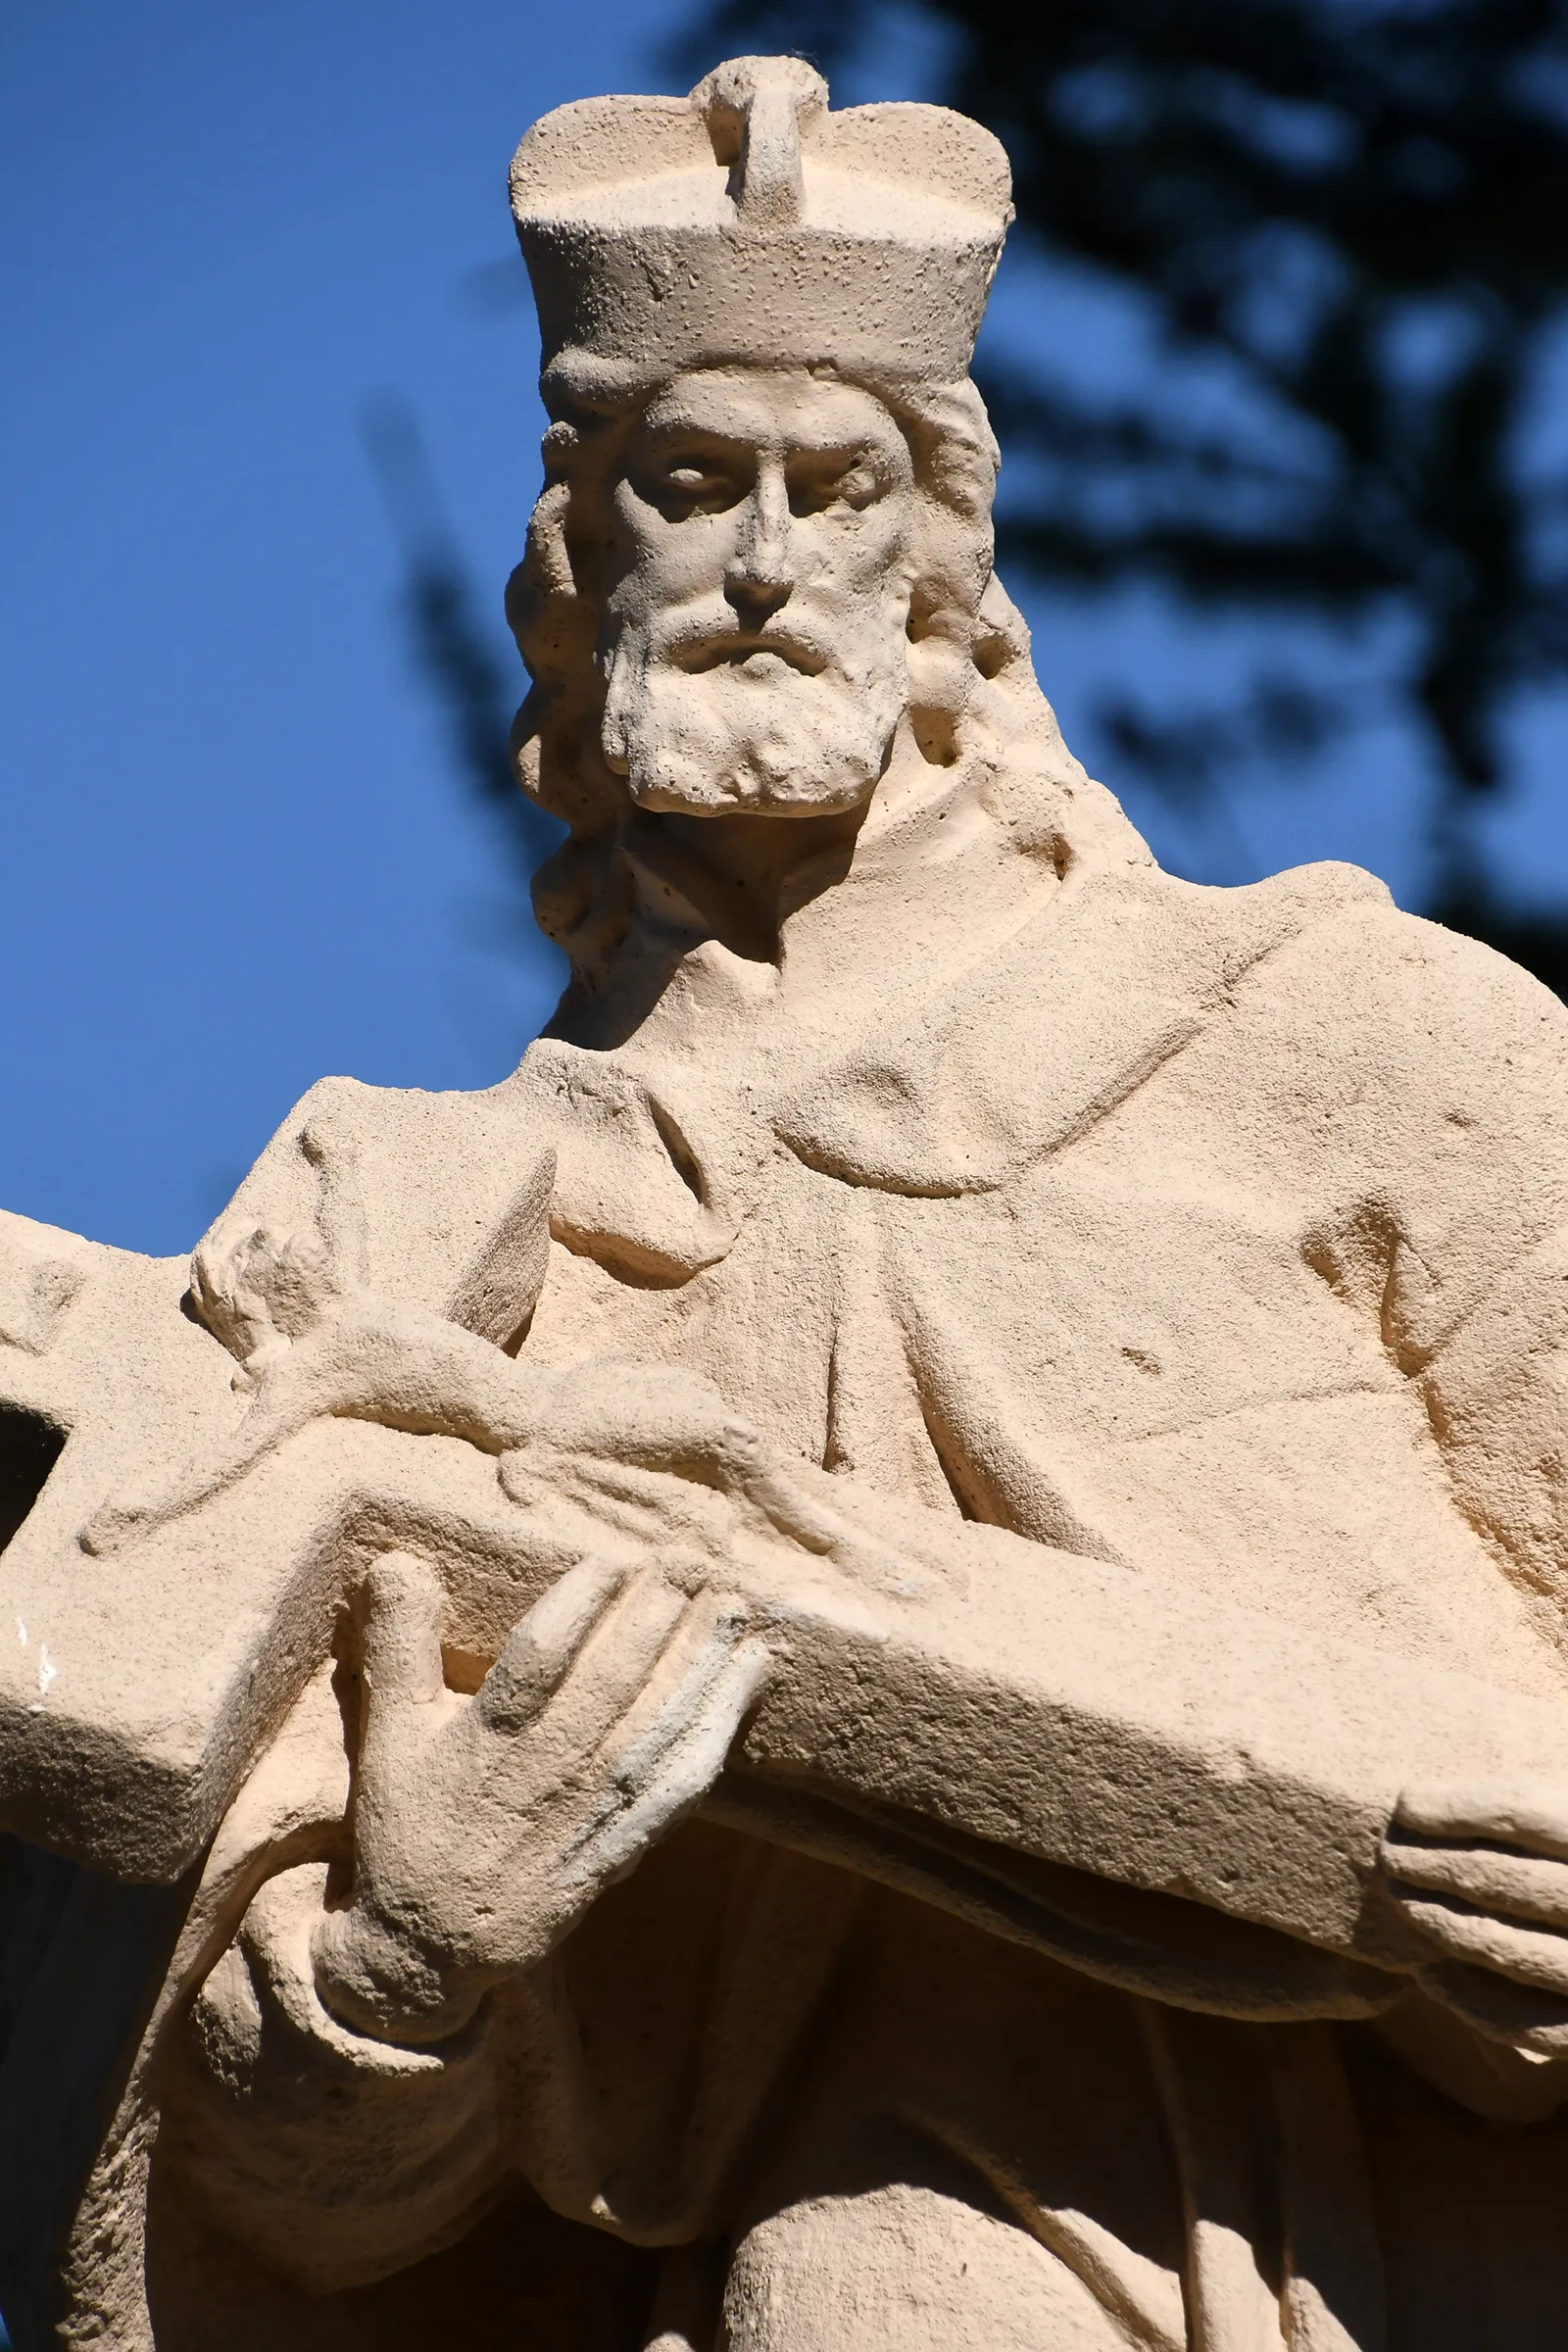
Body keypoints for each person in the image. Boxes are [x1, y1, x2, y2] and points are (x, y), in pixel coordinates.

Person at [11, 54, 1568, 2352]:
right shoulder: (394, 1232)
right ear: (576, 563)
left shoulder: (1345, 1041)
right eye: (682, 483)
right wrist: (398, 1970)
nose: (754, 564)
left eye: (830, 491)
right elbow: (216, 2200)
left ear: (945, 574)